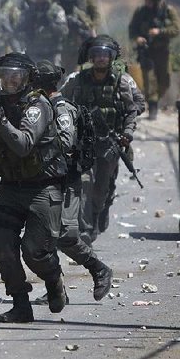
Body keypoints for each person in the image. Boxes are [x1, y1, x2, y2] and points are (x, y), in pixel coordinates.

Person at [0, 52, 68, 323]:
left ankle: (54, 280)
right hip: (10, 186)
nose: (9, 82)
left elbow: (23, 145)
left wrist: (0, 120)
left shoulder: (36, 105)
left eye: (15, 76)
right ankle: (21, 305)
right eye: (3, 76)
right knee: (4, 248)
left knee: (35, 253)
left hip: (42, 187)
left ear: (27, 79)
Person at [32, 60, 113, 303]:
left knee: (65, 234)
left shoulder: (61, 108)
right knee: (44, 236)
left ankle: (99, 270)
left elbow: (65, 142)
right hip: (46, 179)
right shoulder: (42, 105)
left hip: (66, 179)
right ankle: (56, 288)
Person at [60, 35, 139, 242]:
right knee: (84, 183)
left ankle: (98, 213)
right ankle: (85, 228)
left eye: (105, 55)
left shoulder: (121, 81)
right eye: (97, 55)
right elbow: (60, 101)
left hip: (110, 144)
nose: (101, 59)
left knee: (102, 188)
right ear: (91, 58)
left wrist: (127, 133)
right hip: (85, 142)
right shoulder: (77, 79)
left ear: (111, 58)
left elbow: (132, 110)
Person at [127, 0, 180, 120]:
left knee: (165, 81)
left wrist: (160, 32)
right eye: (146, 0)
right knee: (149, 81)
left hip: (163, 52)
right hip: (146, 51)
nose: (147, 3)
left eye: (150, 1)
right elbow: (132, 29)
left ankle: (155, 101)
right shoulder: (141, 11)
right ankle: (152, 108)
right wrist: (138, 38)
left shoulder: (168, 11)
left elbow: (176, 30)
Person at [16, 0, 68, 66]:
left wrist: (50, 24)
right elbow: (17, 33)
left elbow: (64, 31)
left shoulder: (56, 10)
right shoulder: (28, 12)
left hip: (52, 53)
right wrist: (27, 33)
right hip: (33, 53)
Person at [54, 0, 94, 73]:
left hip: (74, 51)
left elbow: (88, 28)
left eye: (68, 3)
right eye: (63, 3)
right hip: (57, 50)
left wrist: (78, 26)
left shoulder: (78, 13)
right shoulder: (54, 12)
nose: (65, 6)